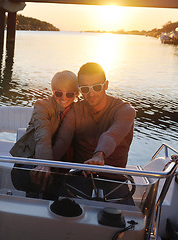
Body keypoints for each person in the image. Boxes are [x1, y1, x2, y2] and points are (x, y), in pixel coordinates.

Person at [53, 62, 136, 204]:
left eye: (97, 87)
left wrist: (99, 155)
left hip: (114, 181)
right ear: (80, 90)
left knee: (129, 222)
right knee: (57, 211)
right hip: (79, 176)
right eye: (85, 89)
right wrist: (45, 164)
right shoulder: (75, 110)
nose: (91, 94)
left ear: (106, 85)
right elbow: (62, 141)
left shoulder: (125, 111)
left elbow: (111, 135)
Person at [10, 70, 79, 198]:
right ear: (52, 91)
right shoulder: (42, 106)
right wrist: (44, 163)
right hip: (33, 158)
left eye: (69, 94)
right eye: (58, 93)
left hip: (61, 164)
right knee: (39, 180)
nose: (64, 98)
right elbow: (43, 135)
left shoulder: (78, 109)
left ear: (76, 93)